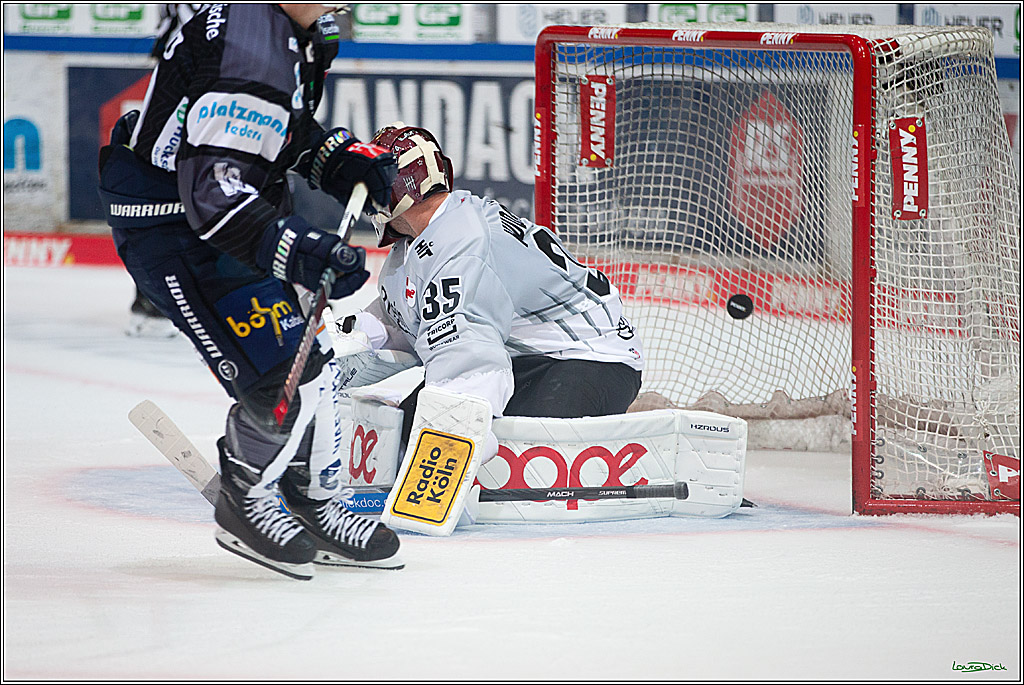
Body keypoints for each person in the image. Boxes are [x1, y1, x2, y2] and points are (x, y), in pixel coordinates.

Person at [98, 4, 402, 580]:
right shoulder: (251, 47)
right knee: (282, 374)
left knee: (312, 362)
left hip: (220, 220)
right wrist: (297, 249)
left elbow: (272, 128)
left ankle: (311, 497)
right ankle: (247, 491)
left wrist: (333, 159)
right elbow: (211, 197)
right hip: (180, 233)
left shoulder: (286, 27)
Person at [340, 122, 644, 452]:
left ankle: (638, 419)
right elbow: (401, 324)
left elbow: (469, 357)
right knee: (413, 419)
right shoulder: (420, 242)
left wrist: (453, 432)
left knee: (533, 445)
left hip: (596, 358)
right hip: (528, 357)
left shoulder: (463, 243)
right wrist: (332, 353)